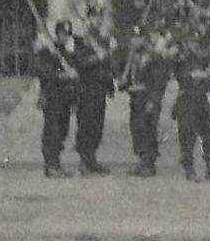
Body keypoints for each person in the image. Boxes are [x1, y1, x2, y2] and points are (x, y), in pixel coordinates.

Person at [120, 27, 172, 178]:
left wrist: (153, 100)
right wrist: (125, 82)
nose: (134, 41)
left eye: (137, 38)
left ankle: (149, 164)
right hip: (136, 98)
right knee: (137, 130)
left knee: (148, 129)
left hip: (147, 98)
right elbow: (131, 77)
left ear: (144, 39)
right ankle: (142, 161)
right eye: (133, 38)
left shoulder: (154, 57)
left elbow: (159, 82)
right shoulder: (134, 57)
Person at [173, 36, 210, 182]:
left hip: (201, 99)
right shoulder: (181, 59)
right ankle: (189, 170)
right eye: (191, 42)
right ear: (186, 44)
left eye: (197, 43)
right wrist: (204, 74)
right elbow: (184, 76)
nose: (194, 46)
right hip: (186, 99)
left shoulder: (202, 59)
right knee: (187, 135)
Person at [34, 19, 81, 178]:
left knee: (62, 131)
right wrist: (63, 74)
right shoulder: (48, 52)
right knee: (52, 132)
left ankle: (56, 164)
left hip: (65, 99)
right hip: (52, 96)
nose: (64, 37)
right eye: (62, 34)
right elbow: (45, 73)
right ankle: (51, 165)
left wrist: (74, 99)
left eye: (67, 35)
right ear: (57, 34)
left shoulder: (66, 54)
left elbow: (74, 76)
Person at [72, 13, 115, 175]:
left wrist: (110, 85)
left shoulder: (102, 41)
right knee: (85, 125)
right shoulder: (80, 41)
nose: (97, 21)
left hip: (99, 90)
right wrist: (97, 57)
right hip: (86, 89)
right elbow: (80, 63)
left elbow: (107, 65)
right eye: (94, 18)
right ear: (88, 19)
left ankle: (92, 160)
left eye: (99, 18)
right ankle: (84, 161)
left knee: (97, 126)